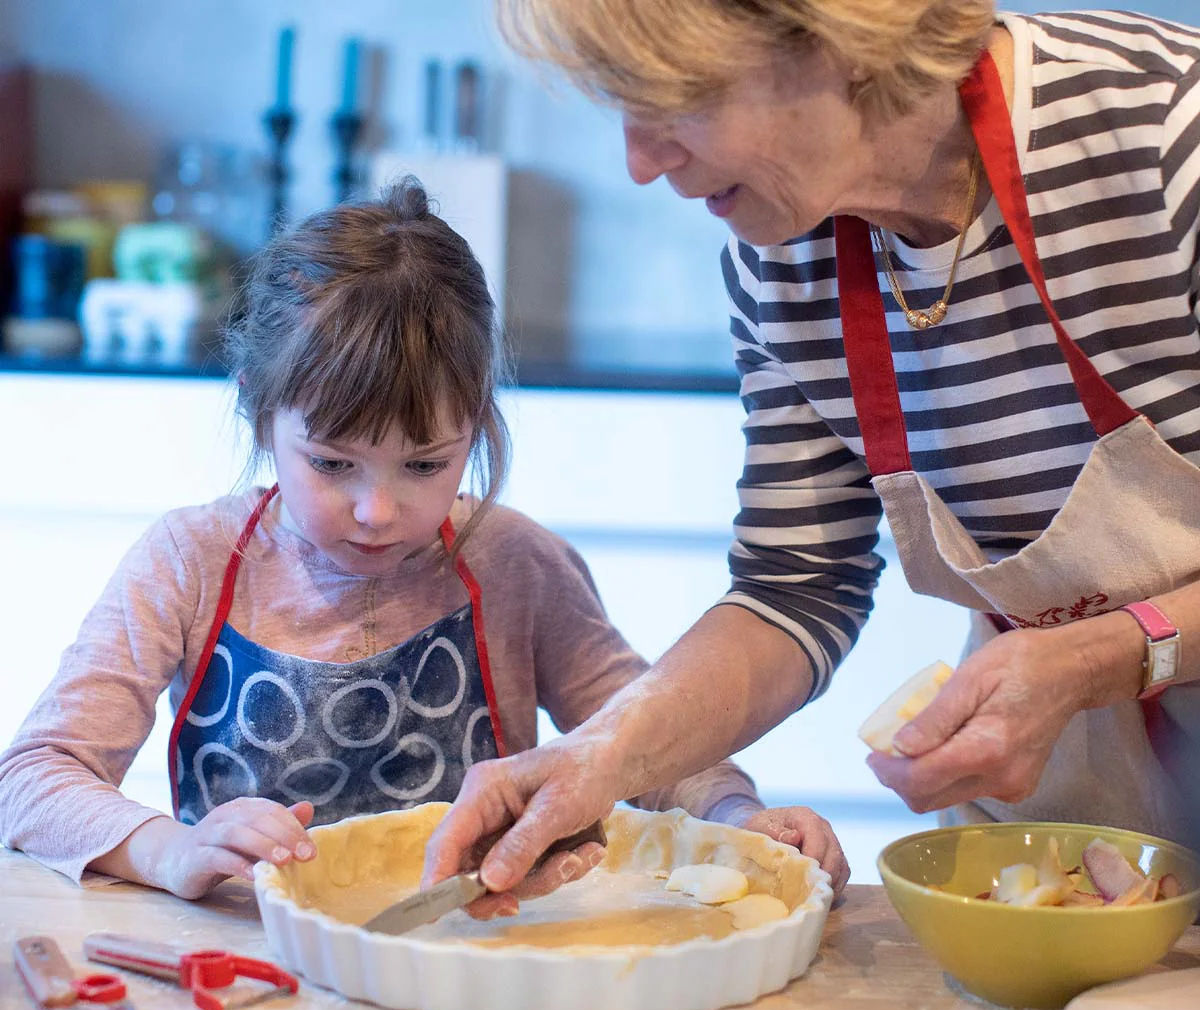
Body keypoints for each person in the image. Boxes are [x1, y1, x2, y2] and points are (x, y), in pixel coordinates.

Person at [422, 1, 1200, 903]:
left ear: (838, 39)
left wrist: (1103, 656)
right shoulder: (780, 262)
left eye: (676, 98)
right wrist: (592, 758)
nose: (639, 163)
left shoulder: (1168, 132)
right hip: (1088, 825)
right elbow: (795, 588)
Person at [0, 179, 848, 902]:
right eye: (332, 462)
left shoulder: (516, 564)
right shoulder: (189, 563)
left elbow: (654, 746)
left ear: (476, 428)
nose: (377, 510)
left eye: (424, 463)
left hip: (477, 961)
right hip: (254, 969)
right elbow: (34, 777)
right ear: (258, 410)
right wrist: (167, 849)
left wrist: (741, 817)